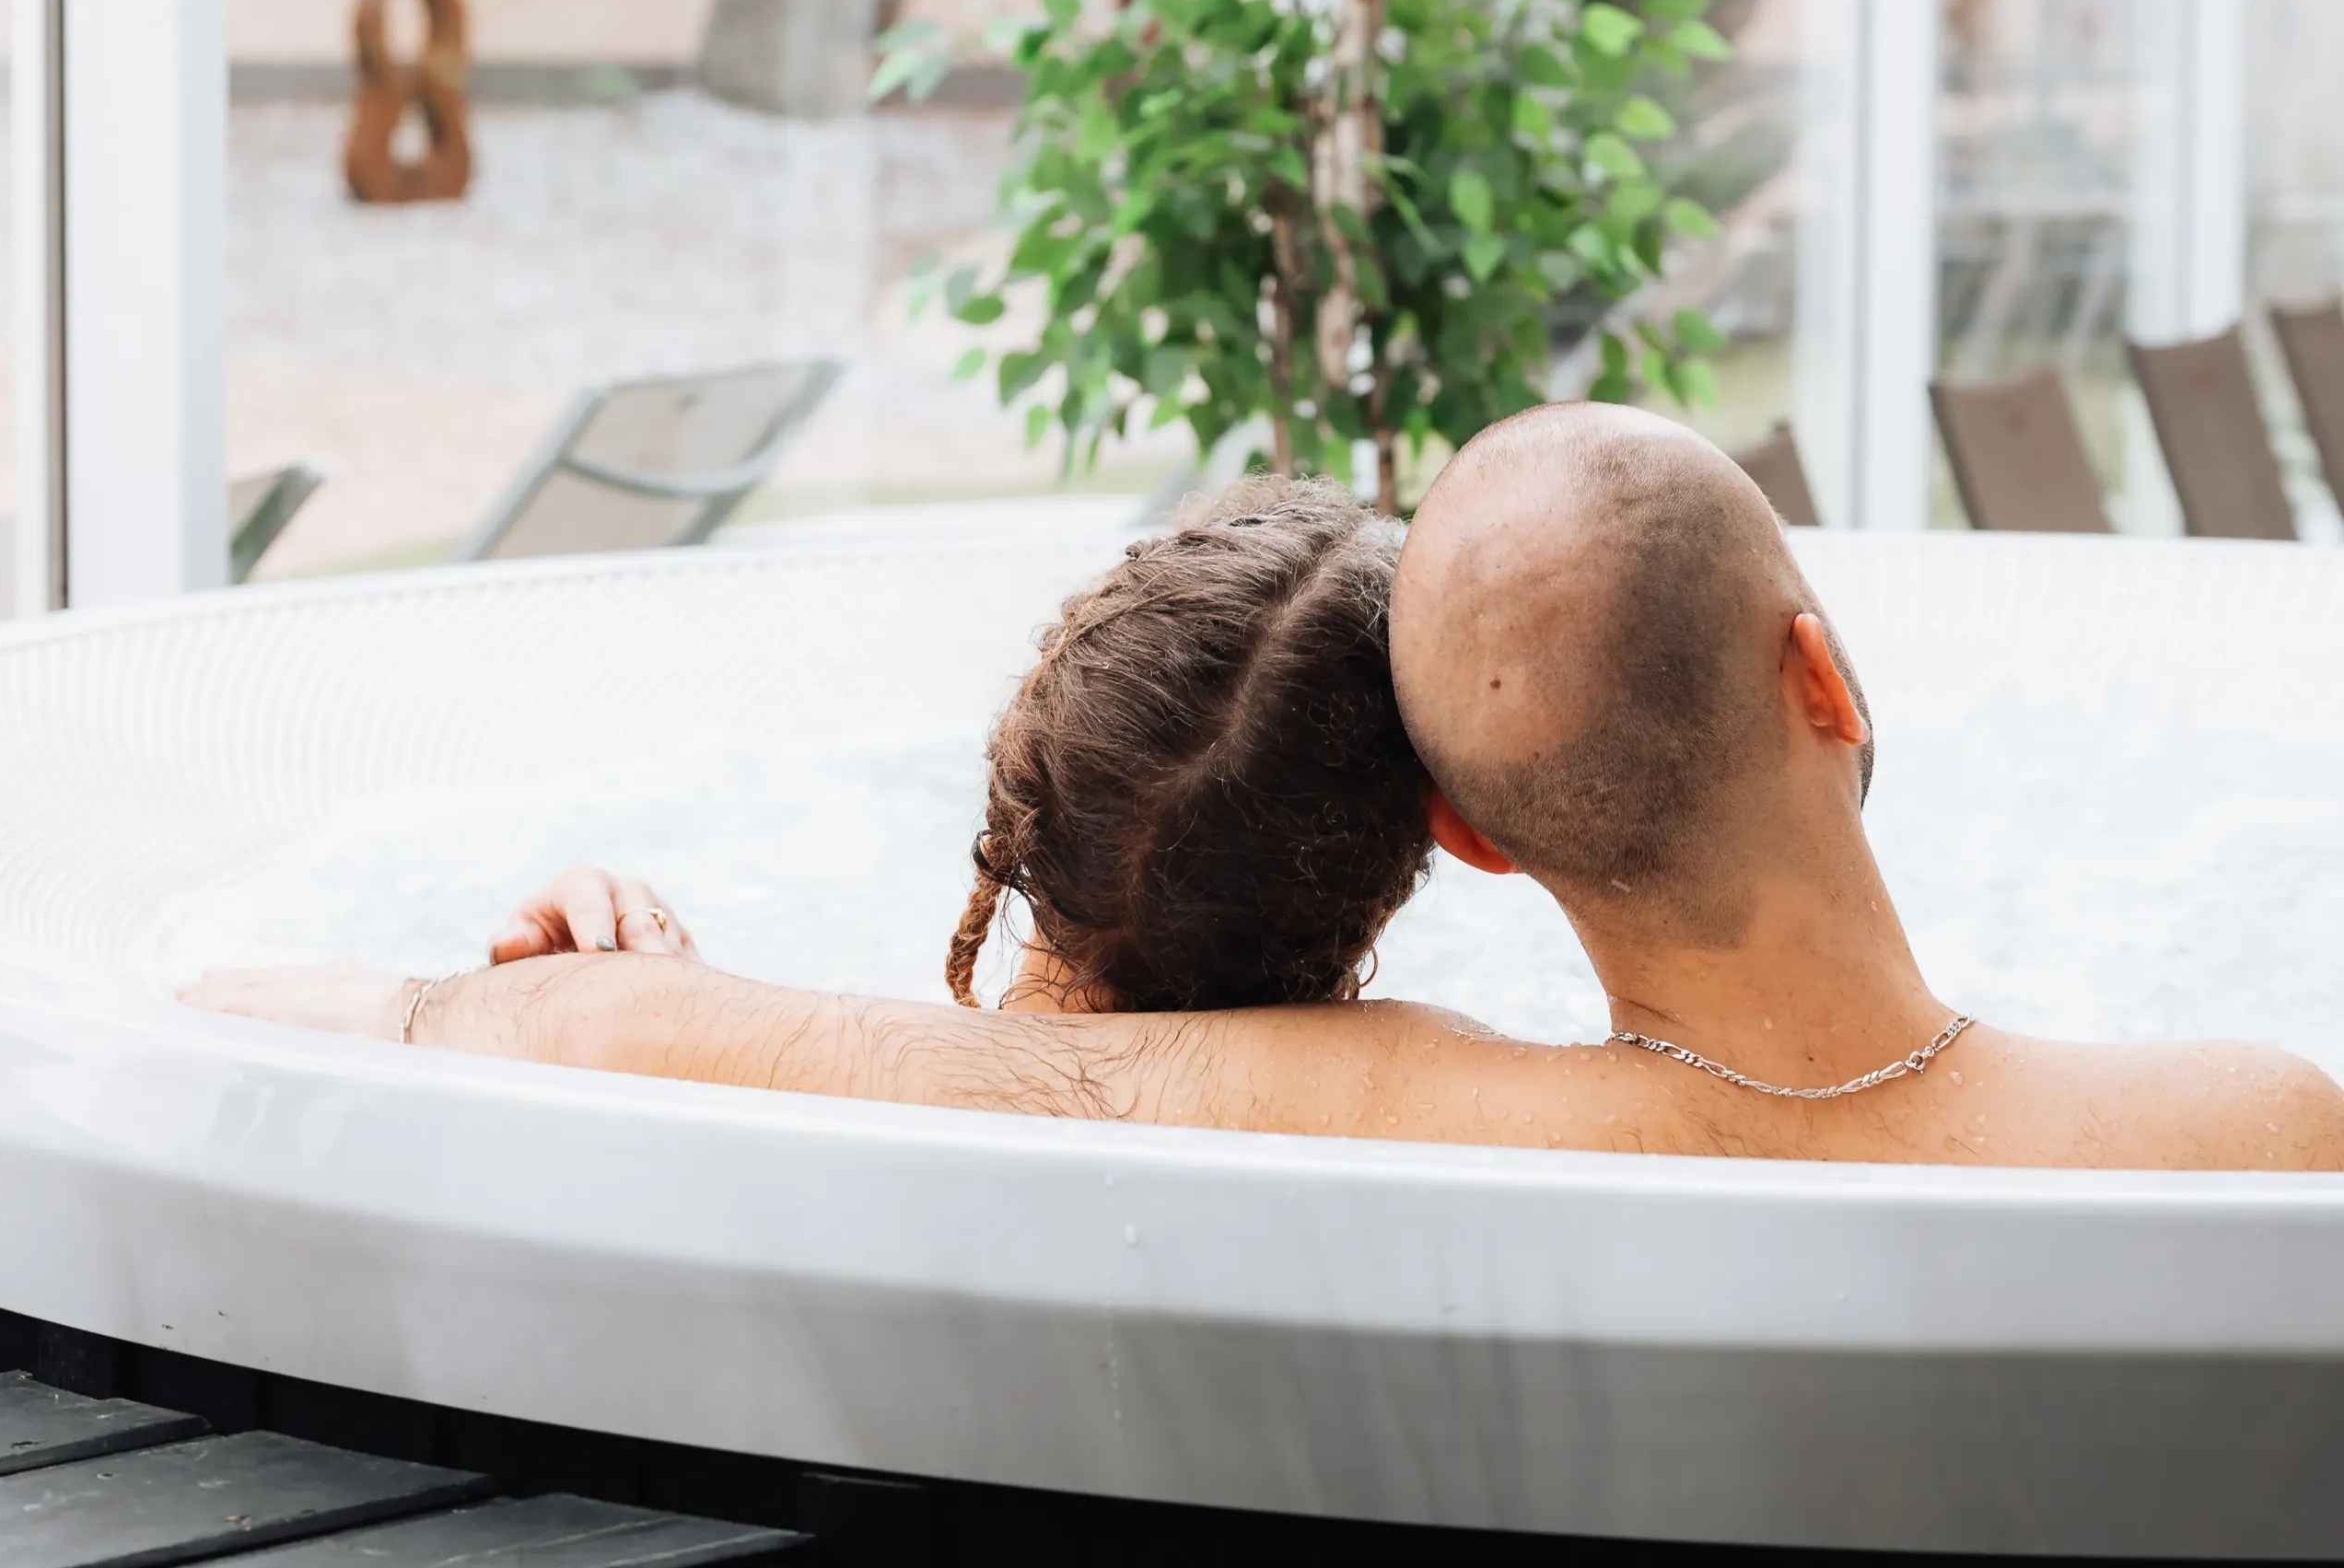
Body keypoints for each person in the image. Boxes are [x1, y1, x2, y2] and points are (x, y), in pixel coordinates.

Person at [185, 407, 2344, 1172]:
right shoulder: (2254, 1133)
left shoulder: (1415, 1105)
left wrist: (519, 1008)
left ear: (1470, 836)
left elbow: (1018, 1091)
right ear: (1821, 668)